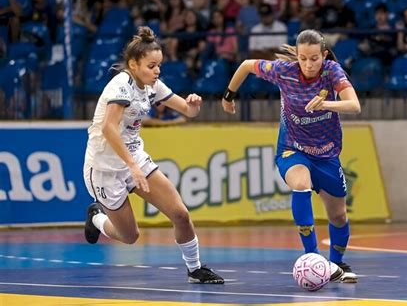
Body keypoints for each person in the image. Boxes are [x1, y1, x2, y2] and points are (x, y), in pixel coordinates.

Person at [83, 26, 224, 284]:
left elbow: (187, 111)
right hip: (104, 168)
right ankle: (97, 218)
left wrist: (193, 106)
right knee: (130, 236)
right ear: (133, 64)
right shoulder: (121, 85)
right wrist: (131, 167)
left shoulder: (152, 85)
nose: (157, 70)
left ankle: (195, 269)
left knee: (180, 214)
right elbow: (108, 128)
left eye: (159, 65)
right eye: (151, 65)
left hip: (134, 158)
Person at [221, 29, 360, 283]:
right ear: (296, 56)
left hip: (327, 155)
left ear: (324, 55)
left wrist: (326, 104)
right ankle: (314, 258)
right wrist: (229, 96)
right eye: (304, 58)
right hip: (292, 149)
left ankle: (337, 263)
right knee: (301, 184)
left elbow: (354, 105)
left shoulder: (332, 72)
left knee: (338, 216)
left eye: (315, 58)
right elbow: (245, 65)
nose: (309, 64)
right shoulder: (283, 71)